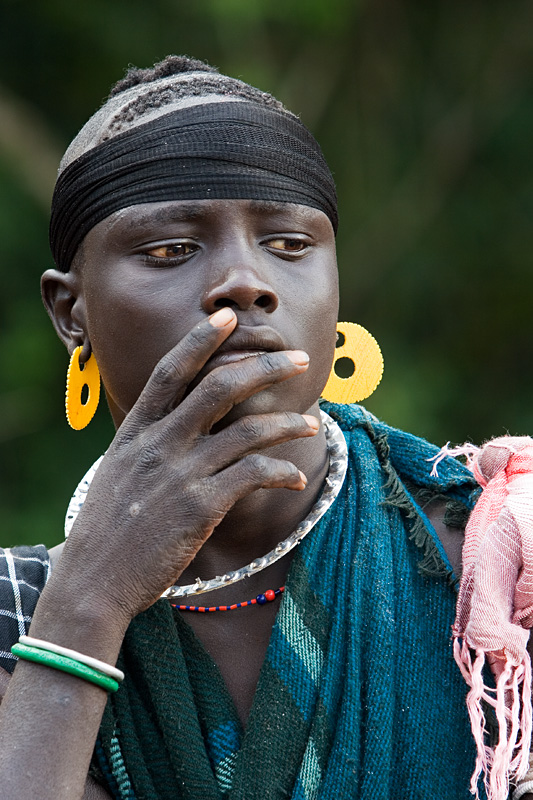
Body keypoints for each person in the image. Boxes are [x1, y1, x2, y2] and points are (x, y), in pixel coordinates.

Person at [0, 55, 529, 800]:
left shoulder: (495, 563)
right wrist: (91, 597)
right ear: (70, 313)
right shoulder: (20, 612)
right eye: (169, 250)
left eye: (288, 244)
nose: (244, 280)